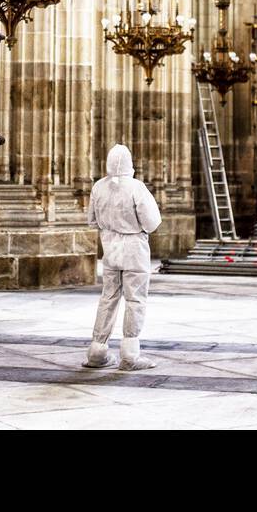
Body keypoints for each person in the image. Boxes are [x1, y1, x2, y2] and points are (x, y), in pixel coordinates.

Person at [83, 143, 163, 370]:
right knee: (135, 299)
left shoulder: (99, 187)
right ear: (130, 164)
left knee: (108, 298)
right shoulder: (136, 187)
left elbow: (92, 220)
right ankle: (130, 356)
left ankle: (97, 353)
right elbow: (152, 222)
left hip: (110, 248)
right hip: (134, 249)